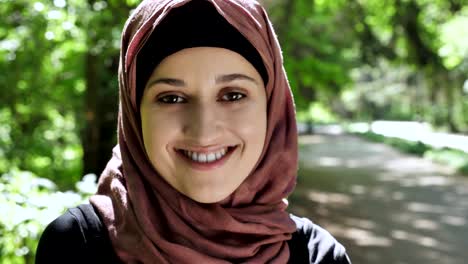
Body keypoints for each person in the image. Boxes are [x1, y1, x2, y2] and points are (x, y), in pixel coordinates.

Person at [36, 0, 351, 263]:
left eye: (233, 95)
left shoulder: (318, 257)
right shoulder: (75, 246)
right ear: (134, 114)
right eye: (171, 98)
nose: (203, 131)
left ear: (271, 107)